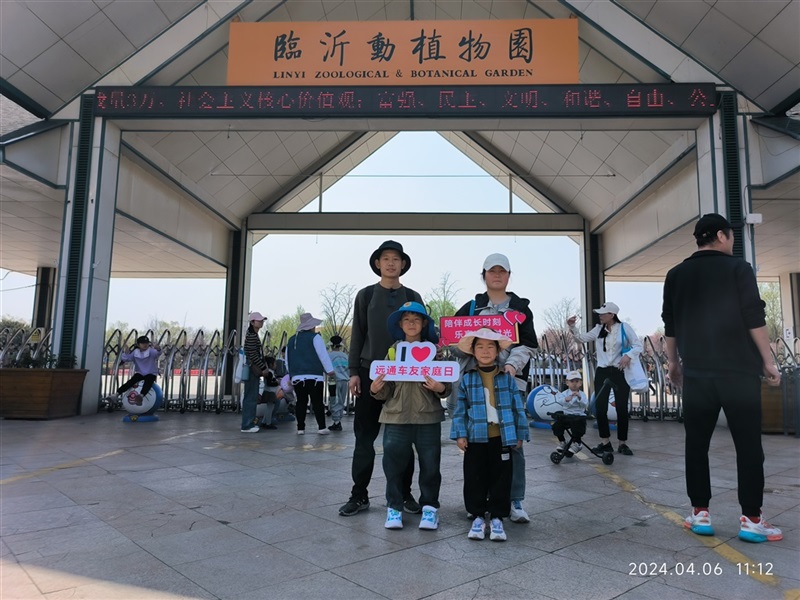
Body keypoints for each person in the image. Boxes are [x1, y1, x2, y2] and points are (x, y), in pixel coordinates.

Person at [662, 213, 783, 543]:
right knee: (748, 448)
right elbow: (753, 316)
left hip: (698, 375)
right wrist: (768, 361)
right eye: (731, 236)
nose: (732, 242)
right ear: (720, 235)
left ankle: (700, 514)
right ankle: (752, 520)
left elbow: (670, 323)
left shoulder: (676, 275)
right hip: (739, 374)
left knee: (696, 446)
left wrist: (673, 364)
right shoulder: (739, 269)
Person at [339, 240, 423, 517]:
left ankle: (404, 494)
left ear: (402, 264)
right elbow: (358, 335)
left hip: (406, 373)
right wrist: (354, 372)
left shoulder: (412, 295)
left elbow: (424, 335)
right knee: (365, 438)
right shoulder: (365, 295)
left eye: (395, 259)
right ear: (377, 263)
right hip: (371, 371)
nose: (390, 263)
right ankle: (359, 494)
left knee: (403, 438)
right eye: (385, 258)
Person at [452, 253, 538, 524]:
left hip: (510, 384)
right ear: (484, 275)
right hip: (475, 384)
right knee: (477, 445)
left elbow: (528, 345)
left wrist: (511, 366)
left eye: (503, 271)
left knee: (512, 444)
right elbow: (453, 340)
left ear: (509, 276)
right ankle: (479, 501)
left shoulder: (521, 308)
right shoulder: (471, 307)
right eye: (492, 271)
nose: (497, 275)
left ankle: (514, 500)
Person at [370, 302, 451, 531]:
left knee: (430, 465)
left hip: (428, 417)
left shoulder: (434, 351)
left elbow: (447, 384)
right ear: (400, 324)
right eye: (406, 319)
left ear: (424, 323)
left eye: (417, 319)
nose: (412, 323)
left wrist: (440, 388)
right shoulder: (393, 351)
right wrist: (376, 389)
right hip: (395, 417)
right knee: (392, 465)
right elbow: (386, 389)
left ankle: (430, 509)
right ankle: (394, 508)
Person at [450, 328, 528, 542]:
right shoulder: (467, 379)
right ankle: (477, 516)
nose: (485, 351)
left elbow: (517, 408)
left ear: (497, 351)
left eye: (490, 346)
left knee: (501, 478)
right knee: (474, 477)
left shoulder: (507, 378)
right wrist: (460, 434)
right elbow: (460, 409)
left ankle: (497, 517)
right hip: (476, 438)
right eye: (480, 347)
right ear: (473, 351)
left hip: (502, 438)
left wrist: (520, 434)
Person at [567, 301, 641, 456]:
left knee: (621, 408)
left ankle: (622, 443)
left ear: (612, 315)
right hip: (602, 371)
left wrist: (628, 356)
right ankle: (605, 442)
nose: (600, 316)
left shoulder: (624, 328)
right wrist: (572, 327)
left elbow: (638, 345)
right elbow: (581, 339)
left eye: (603, 313)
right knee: (600, 408)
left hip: (620, 371)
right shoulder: (598, 329)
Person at [286, 313, 335, 435]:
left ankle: (300, 428)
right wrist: (330, 370)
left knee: (301, 402)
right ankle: (322, 427)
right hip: (314, 376)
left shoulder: (292, 340)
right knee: (317, 401)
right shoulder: (315, 337)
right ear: (311, 326)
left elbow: (288, 359)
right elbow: (322, 355)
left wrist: (291, 374)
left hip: (297, 377)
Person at [242, 312, 268, 433]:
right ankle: (247, 424)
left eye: (262, 320)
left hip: (252, 368)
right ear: (252, 322)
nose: (261, 322)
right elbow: (252, 354)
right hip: (253, 369)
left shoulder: (252, 334)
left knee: (251, 396)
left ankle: (249, 422)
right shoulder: (252, 336)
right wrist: (263, 367)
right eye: (259, 320)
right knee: (251, 397)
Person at [550, 370, 589, 452]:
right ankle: (562, 441)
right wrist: (566, 399)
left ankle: (577, 443)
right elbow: (560, 401)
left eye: (577, 381)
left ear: (580, 383)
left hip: (578, 416)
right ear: (567, 383)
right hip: (567, 416)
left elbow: (585, 404)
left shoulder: (582, 394)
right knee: (557, 425)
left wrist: (579, 398)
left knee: (577, 424)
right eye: (572, 381)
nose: (574, 383)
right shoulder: (564, 393)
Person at [118, 335, 161, 403]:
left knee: (148, 382)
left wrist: (158, 349)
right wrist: (126, 351)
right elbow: (127, 358)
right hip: (140, 373)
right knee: (131, 382)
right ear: (138, 344)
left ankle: (141, 395)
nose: (145, 345)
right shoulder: (135, 352)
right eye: (143, 343)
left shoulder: (151, 351)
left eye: (146, 343)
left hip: (151, 373)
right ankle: (117, 393)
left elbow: (157, 353)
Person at [328, 335, 349, 431]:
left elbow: (325, 369)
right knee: (341, 401)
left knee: (334, 401)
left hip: (334, 381)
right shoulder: (345, 356)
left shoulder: (329, 356)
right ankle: (338, 420)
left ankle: (336, 422)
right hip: (345, 381)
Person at [256, 356, 280, 429]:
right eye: (275, 364)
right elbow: (269, 383)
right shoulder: (269, 373)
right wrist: (277, 383)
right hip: (270, 392)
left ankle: (264, 422)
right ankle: (268, 423)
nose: (276, 365)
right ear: (270, 365)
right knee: (270, 408)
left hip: (269, 392)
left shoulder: (269, 372)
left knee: (269, 408)